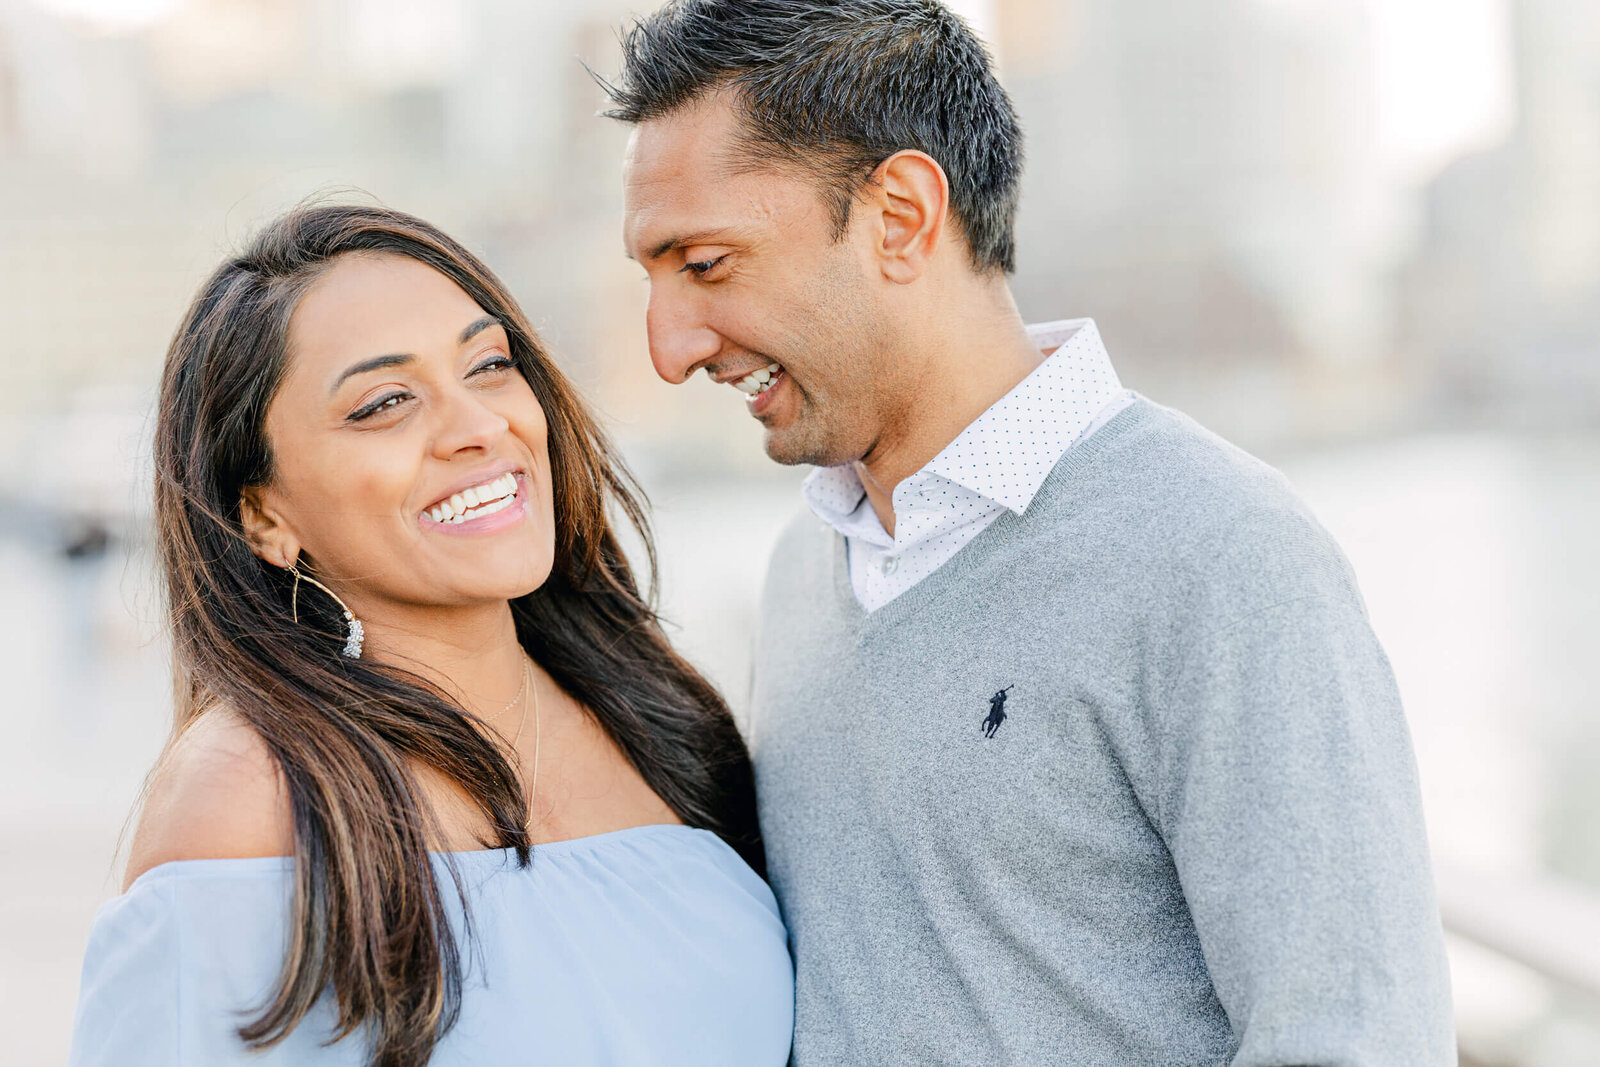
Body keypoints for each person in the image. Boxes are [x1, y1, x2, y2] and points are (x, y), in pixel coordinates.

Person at [610, 1, 1455, 1064]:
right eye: (651, 274)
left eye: (707, 263)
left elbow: (1353, 1037)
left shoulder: (1215, 554)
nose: (669, 348)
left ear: (903, 217)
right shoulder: (799, 569)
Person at [67, 204, 793, 1067]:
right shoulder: (255, 797)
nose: (479, 427)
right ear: (263, 514)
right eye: (384, 403)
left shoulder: (656, 715)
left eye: (488, 365)